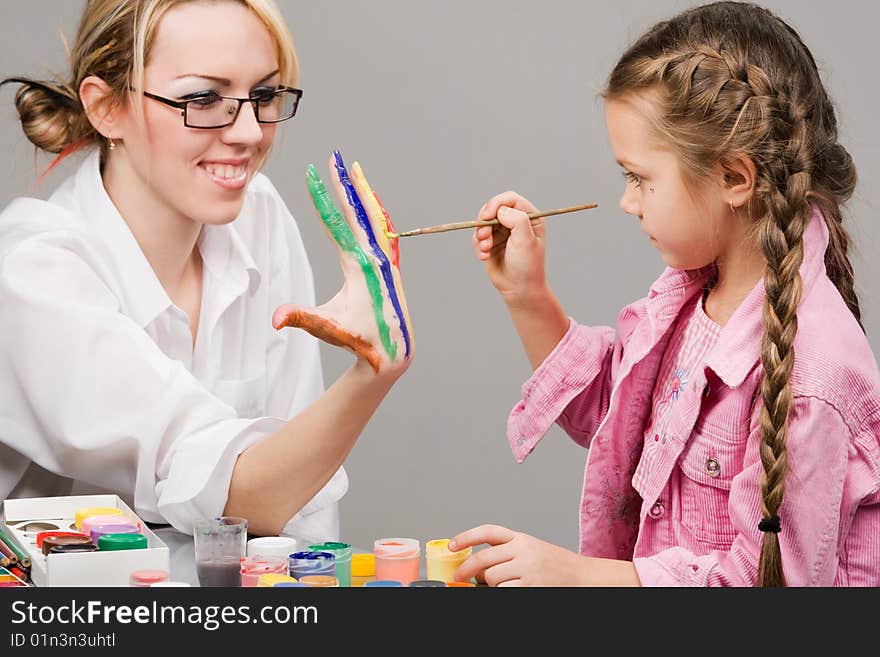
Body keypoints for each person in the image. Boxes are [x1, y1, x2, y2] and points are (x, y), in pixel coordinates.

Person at [450, 1, 879, 586]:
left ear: (733, 177)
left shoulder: (814, 375)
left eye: (639, 178)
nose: (629, 202)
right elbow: (618, 422)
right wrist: (527, 294)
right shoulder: (691, 298)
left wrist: (583, 579)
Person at [0, 0, 413, 545]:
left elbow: (298, 519)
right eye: (202, 98)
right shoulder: (32, 270)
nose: (248, 133)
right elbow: (237, 496)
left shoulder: (258, 218)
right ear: (105, 108)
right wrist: (373, 371)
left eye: (263, 96)